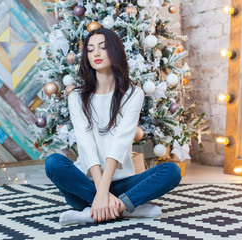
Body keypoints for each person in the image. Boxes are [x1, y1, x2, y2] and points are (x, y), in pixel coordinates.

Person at [45, 28, 182, 226]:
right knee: (53, 163)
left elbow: (120, 144)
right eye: (90, 50)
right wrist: (100, 191)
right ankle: (124, 208)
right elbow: (86, 144)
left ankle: (93, 212)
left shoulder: (133, 93)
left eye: (103, 47)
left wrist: (104, 193)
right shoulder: (76, 97)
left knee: (171, 171)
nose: (96, 54)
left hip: (122, 183)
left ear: (115, 51)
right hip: (86, 184)